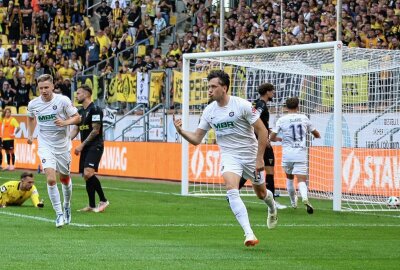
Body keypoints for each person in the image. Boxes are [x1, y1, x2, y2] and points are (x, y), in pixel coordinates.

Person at [173, 70, 277, 247]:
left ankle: (272, 207)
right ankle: (249, 233)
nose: (210, 90)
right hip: (230, 156)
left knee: (261, 194)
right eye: (209, 87)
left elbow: (262, 130)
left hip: (251, 155)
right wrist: (181, 131)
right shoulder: (209, 111)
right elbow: (197, 139)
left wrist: (260, 158)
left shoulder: (241, 105)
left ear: (224, 87)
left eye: (214, 86)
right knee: (231, 188)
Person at [27, 74, 81, 228]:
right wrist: (31, 134)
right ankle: (58, 214)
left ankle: (66, 205)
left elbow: (77, 118)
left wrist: (65, 122)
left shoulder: (62, 100)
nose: (44, 91)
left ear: (52, 86)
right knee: (51, 179)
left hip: (63, 145)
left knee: (64, 178)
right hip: (45, 145)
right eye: (41, 88)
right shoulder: (33, 104)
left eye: (46, 87)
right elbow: (30, 118)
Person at [238, 83, 287, 209]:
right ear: (267, 92)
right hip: (261, 142)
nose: (274, 93)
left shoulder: (256, 103)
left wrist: (267, 130)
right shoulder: (261, 105)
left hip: (258, 140)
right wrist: (263, 138)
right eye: (272, 91)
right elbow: (255, 122)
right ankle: (273, 202)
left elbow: (260, 123)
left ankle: (233, 191)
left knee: (252, 170)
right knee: (269, 170)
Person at [270, 97, 321, 214]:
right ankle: (305, 198)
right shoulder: (304, 118)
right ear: (298, 106)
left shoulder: (282, 120)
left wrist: (278, 139)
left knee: (289, 178)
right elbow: (316, 133)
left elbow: (272, 137)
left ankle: (293, 202)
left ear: (286, 107)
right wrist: (316, 136)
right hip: (300, 154)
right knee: (301, 180)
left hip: (287, 154)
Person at [70, 84, 109, 213]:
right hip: (86, 147)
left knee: (88, 173)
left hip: (95, 145)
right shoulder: (80, 112)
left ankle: (103, 200)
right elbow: (76, 128)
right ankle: (92, 205)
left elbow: (96, 130)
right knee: (86, 176)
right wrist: (66, 141)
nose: (77, 95)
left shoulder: (95, 109)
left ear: (87, 94)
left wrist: (81, 145)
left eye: (79, 93)